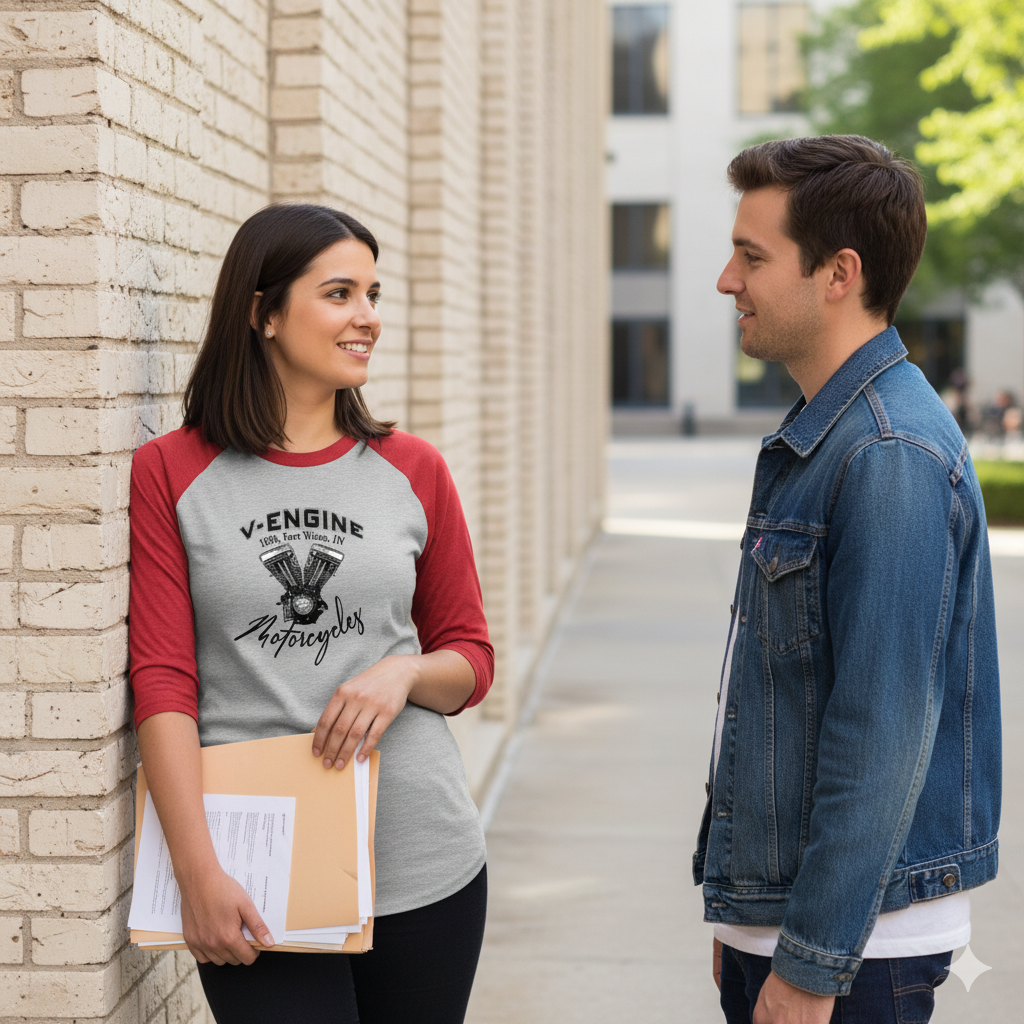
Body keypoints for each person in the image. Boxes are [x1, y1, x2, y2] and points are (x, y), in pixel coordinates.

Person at [129, 204, 493, 1024]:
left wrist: (401, 672)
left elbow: (470, 658)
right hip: (257, 870)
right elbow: (162, 680)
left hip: (421, 854)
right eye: (340, 294)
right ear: (262, 313)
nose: (368, 317)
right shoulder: (172, 471)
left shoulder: (412, 468)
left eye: (373, 293)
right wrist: (196, 871)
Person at [694, 136, 1001, 1024]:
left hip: (856, 953)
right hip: (792, 925)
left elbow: (881, 731)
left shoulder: (888, 453)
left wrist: (814, 961)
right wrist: (740, 900)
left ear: (838, 273)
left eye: (752, 256)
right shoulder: (827, 435)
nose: (726, 279)